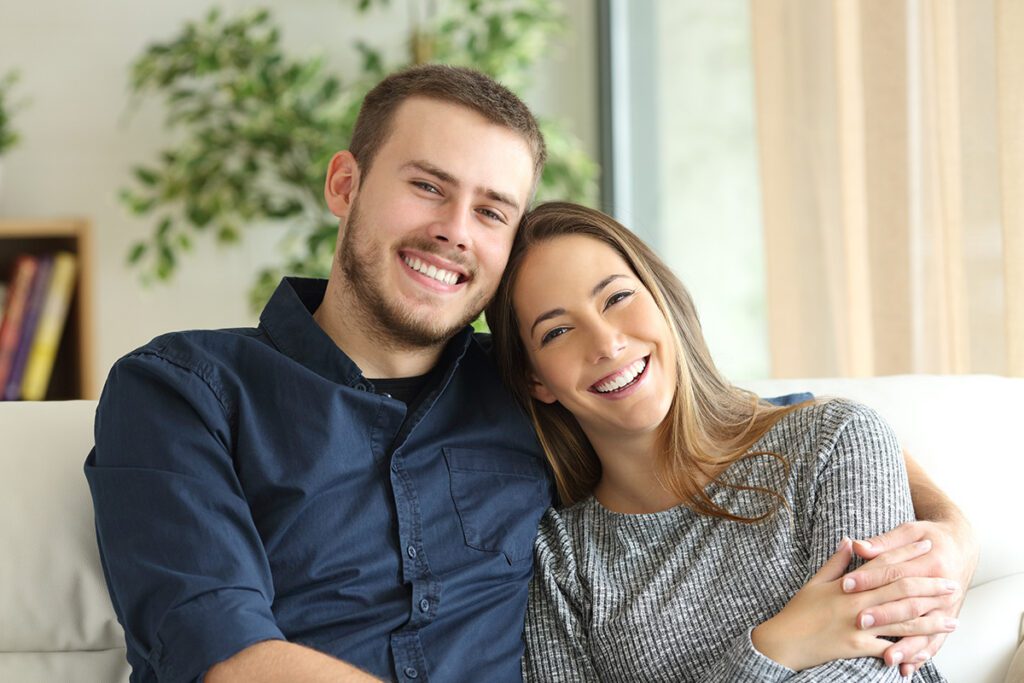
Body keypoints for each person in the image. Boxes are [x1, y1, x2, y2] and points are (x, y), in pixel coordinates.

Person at [86, 66, 973, 683]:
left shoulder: (531, 384)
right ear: (345, 184)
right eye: (427, 186)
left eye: (492, 210)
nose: (454, 230)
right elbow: (227, 655)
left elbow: (755, 418)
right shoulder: (185, 388)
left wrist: (950, 530)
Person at [485, 202, 956, 681]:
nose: (606, 344)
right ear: (535, 379)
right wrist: (774, 645)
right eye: (558, 331)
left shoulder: (834, 440)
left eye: (617, 297)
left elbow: (878, 670)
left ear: (662, 300)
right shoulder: (559, 561)